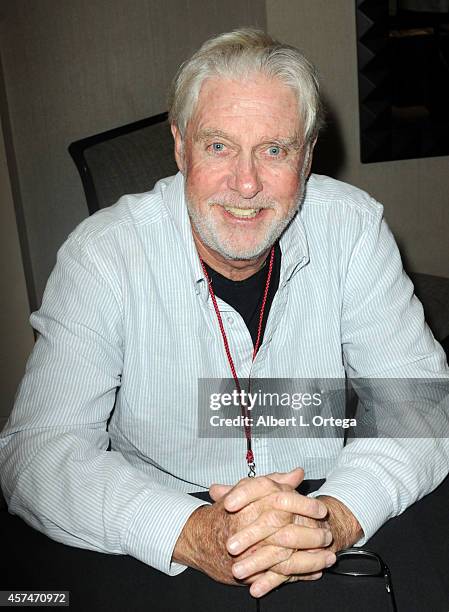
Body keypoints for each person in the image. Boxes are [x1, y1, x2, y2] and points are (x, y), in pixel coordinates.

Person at [0, 28, 448, 605]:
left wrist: (332, 516)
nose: (246, 183)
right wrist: (191, 532)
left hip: (324, 517)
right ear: (180, 146)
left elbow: (422, 404)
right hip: (164, 529)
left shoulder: (353, 229)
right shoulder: (105, 254)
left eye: (275, 149)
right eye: (218, 146)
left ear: (308, 156)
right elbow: (37, 449)